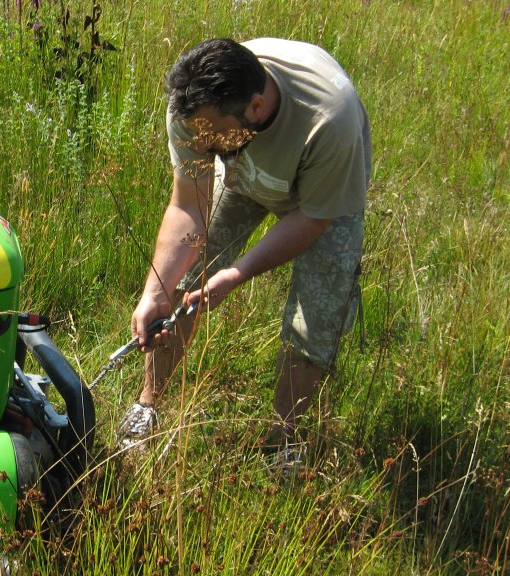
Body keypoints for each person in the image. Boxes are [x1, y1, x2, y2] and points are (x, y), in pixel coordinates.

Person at [118, 38, 371, 456]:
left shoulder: (330, 121)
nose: (201, 145)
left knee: (316, 318)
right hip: (248, 169)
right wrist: (155, 292)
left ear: (256, 107)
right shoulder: (195, 108)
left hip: (324, 197)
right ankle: (148, 405)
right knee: (182, 280)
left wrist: (237, 274)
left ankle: (283, 441)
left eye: (211, 136)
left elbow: (313, 218)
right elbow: (188, 204)